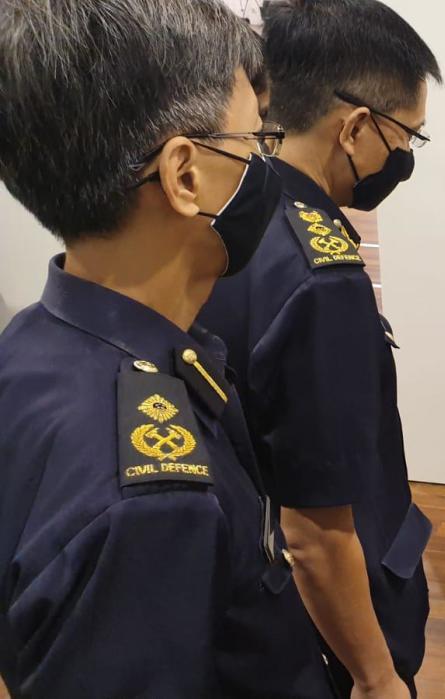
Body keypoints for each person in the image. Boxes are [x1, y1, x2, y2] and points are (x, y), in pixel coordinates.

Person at [0, 0, 333, 696]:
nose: (267, 166)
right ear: (185, 176)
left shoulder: (30, 347)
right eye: (256, 145)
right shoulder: (150, 501)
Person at [196, 2, 441, 696]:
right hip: (326, 631)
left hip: (247, 594)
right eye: (408, 137)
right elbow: (315, 530)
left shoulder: (234, 217)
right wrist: (377, 675)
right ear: (357, 127)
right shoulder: (323, 275)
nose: (405, 159)